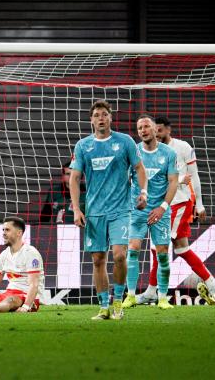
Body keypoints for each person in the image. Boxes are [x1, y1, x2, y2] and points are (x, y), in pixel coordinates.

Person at [70, 99, 148, 320]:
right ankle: (103, 307)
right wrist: (77, 209)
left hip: (121, 210)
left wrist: (143, 193)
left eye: (104, 114)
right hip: (94, 212)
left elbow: (139, 168)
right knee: (97, 260)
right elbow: (74, 178)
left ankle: (117, 302)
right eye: (96, 115)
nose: (101, 118)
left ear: (111, 117)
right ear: (91, 120)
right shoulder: (83, 146)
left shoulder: (125, 142)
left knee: (120, 255)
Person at [136, 116, 215, 304]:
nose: (155, 133)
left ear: (168, 130)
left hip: (178, 203)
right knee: (182, 249)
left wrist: (199, 204)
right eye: (152, 130)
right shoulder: (149, 152)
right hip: (159, 205)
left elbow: (195, 176)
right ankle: (214, 285)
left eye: (158, 130)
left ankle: (151, 291)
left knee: (159, 247)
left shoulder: (182, 147)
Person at [121, 116, 178, 310]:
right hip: (137, 209)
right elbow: (124, 179)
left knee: (162, 254)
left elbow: (173, 182)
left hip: (160, 211)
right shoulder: (133, 152)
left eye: (146, 126)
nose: (143, 130)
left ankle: (162, 297)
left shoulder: (169, 153)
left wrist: (162, 207)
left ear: (155, 129)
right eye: (139, 128)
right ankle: (130, 295)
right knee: (133, 249)